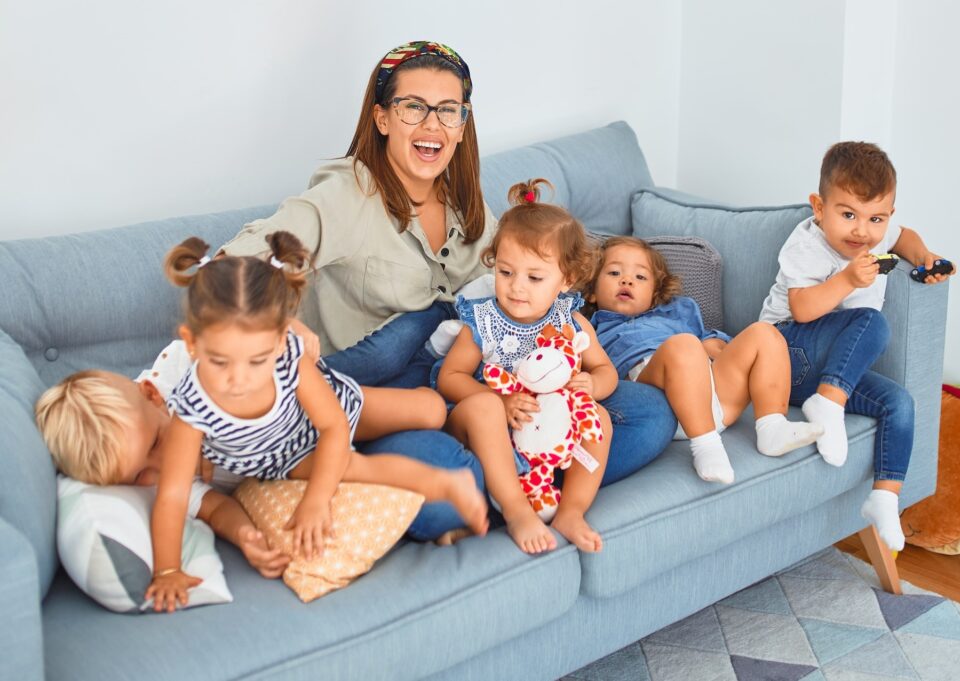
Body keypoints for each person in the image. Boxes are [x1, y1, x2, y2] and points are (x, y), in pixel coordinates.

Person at [218, 40, 677, 540]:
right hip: (387, 396)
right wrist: (280, 323)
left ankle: (518, 482)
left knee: (649, 413)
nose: (431, 125)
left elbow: (533, 276)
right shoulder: (344, 195)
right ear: (382, 118)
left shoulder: (465, 199)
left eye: (447, 110)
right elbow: (233, 266)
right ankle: (516, 485)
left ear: (462, 124)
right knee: (444, 493)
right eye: (413, 107)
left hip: (478, 382)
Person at [147, 232, 488, 612]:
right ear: (191, 344)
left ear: (279, 344)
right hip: (285, 460)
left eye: (256, 361)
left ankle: (440, 378)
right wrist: (166, 569)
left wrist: (317, 499)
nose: (239, 379)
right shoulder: (190, 410)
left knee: (431, 411)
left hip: (328, 416)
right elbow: (173, 495)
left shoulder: (289, 359)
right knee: (355, 466)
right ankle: (446, 483)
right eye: (220, 362)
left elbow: (333, 427)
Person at [759, 141, 955, 551]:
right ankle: (827, 404)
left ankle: (884, 497)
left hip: (830, 370)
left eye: (875, 218)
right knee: (871, 321)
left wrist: (924, 258)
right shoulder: (806, 244)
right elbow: (802, 309)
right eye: (847, 215)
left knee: (899, 402)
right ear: (819, 207)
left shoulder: (877, 237)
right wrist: (847, 280)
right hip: (783, 356)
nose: (862, 231)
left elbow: (907, 238)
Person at [437, 179, 614, 554]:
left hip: (544, 431)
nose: (516, 287)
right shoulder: (483, 321)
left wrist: (592, 386)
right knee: (484, 407)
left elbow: (605, 370)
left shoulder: (570, 323)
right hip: (484, 425)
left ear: (565, 280)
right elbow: (448, 378)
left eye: (534, 277)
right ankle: (517, 511)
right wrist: (498, 401)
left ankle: (572, 510)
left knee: (599, 417)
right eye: (505, 272)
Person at [34, 350, 291, 582]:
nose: (163, 465)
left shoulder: (186, 370)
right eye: (139, 476)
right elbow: (216, 509)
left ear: (151, 394)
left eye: (155, 442)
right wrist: (245, 535)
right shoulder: (159, 486)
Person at [586, 236, 823, 484]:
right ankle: (706, 447)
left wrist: (715, 345)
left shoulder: (679, 312)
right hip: (658, 401)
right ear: (592, 291)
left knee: (764, 332)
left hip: (714, 398)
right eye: (614, 273)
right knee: (684, 345)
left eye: (641, 277)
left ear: (655, 294)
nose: (626, 280)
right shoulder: (590, 328)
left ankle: (772, 427)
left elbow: (709, 339)